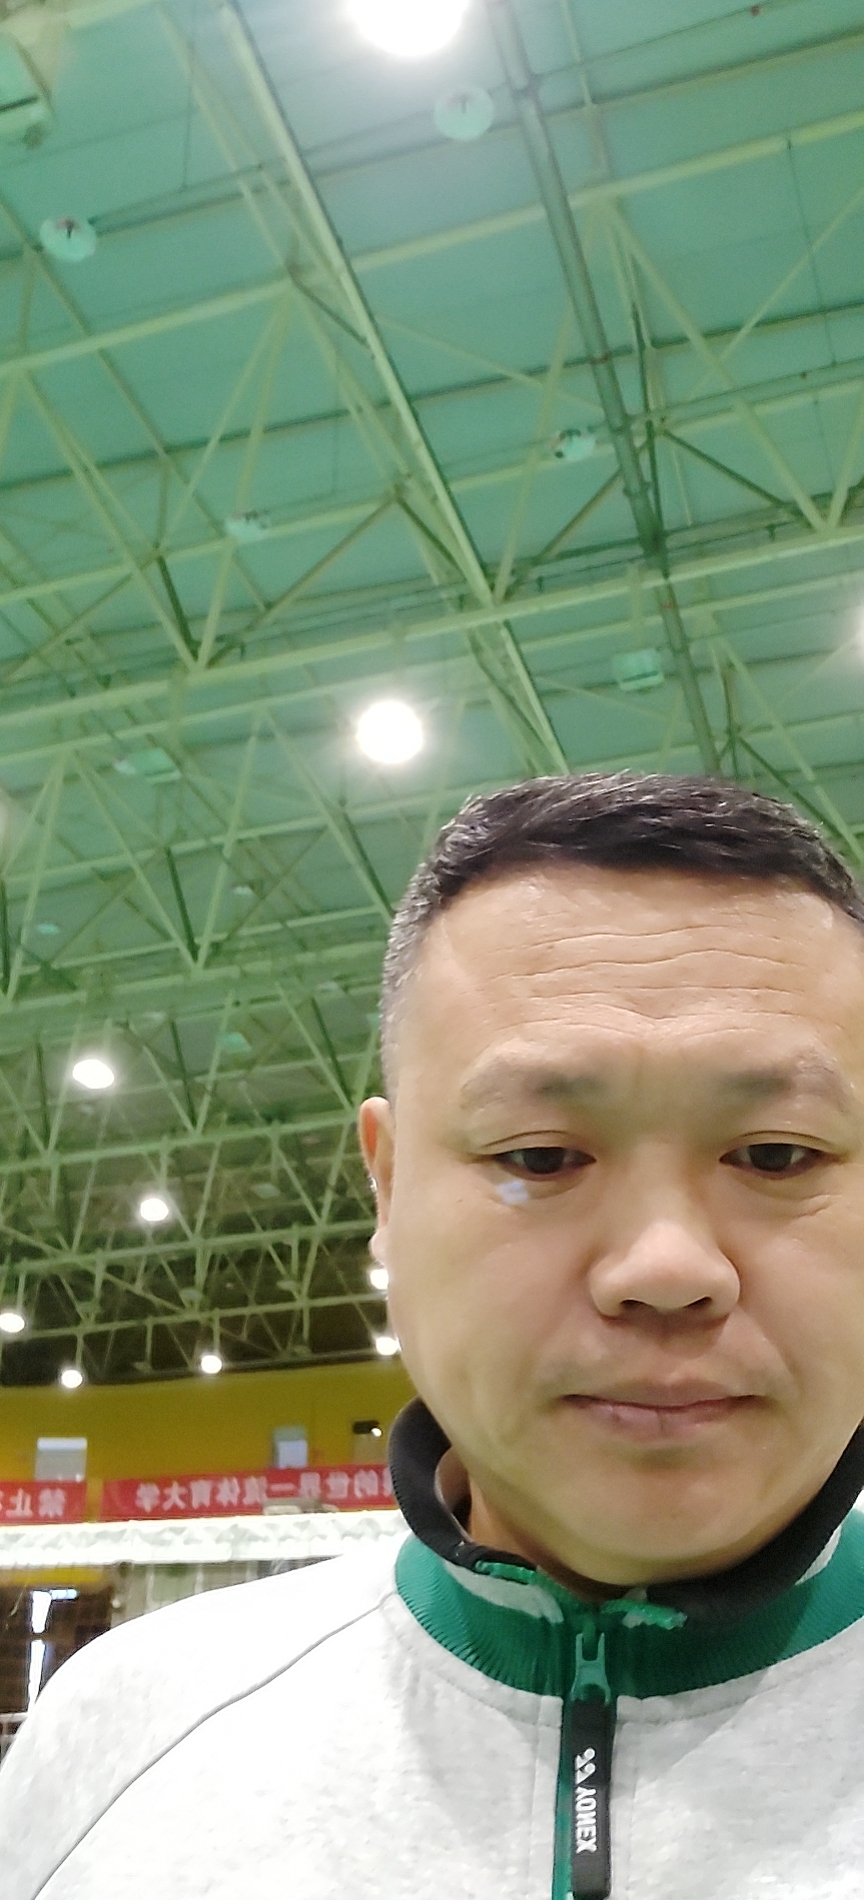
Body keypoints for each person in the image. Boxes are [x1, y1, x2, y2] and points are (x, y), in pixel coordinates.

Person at [5, 770, 864, 1900]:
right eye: (540, 1157)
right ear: (388, 1182)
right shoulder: (118, 1743)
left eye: (777, 1155)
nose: (667, 1268)